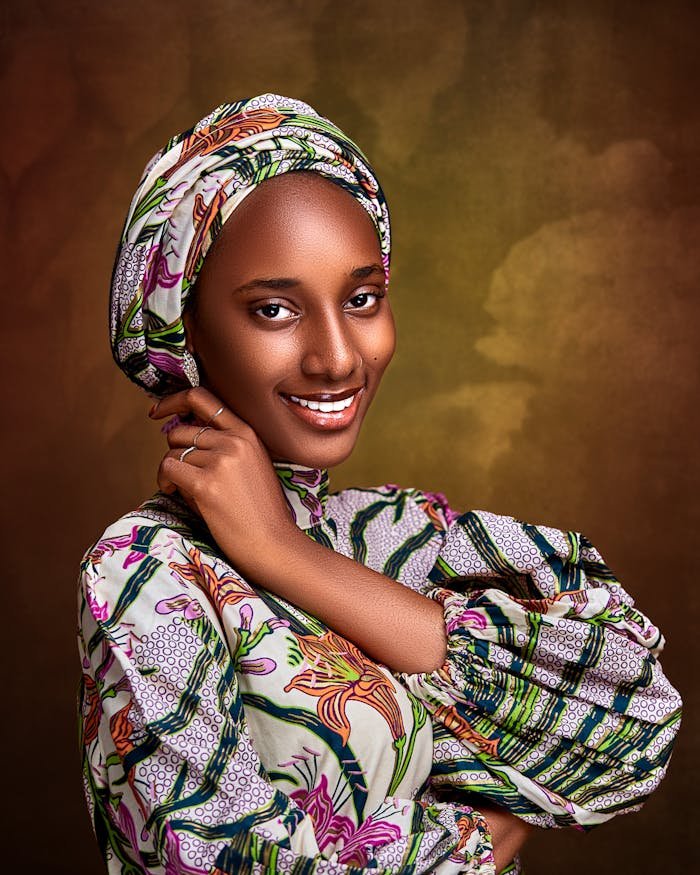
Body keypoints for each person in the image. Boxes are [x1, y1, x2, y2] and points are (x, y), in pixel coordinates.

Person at [78, 94, 682, 875]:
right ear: (180, 325)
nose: (337, 356)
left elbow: (634, 718)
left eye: (361, 298)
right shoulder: (142, 572)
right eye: (273, 309)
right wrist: (480, 839)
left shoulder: (397, 534)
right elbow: (212, 860)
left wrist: (287, 553)